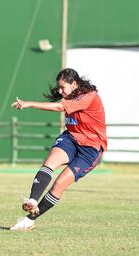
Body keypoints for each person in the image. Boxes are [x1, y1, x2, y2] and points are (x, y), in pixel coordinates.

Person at [10, 68, 107, 230]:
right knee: (49, 163)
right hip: (71, 138)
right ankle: (32, 200)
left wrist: (30, 104)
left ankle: (30, 219)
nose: (60, 91)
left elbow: (59, 108)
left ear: (74, 84)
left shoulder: (89, 96)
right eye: (59, 87)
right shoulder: (70, 95)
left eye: (63, 87)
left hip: (91, 148)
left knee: (58, 185)